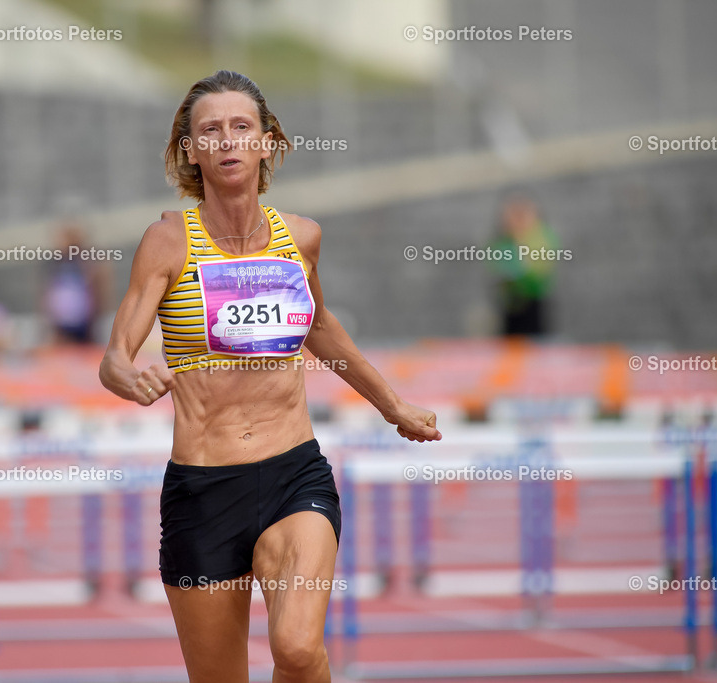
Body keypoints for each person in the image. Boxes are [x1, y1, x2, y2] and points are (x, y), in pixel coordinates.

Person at [99, 70, 441, 683]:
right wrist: (129, 375)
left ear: (267, 142)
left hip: (293, 474)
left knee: (299, 649)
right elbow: (115, 357)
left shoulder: (300, 238)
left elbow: (323, 331)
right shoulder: (167, 242)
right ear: (190, 150)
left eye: (241, 127)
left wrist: (394, 406)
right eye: (210, 130)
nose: (227, 140)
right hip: (204, 492)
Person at [488, 193, 560, 337]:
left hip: (534, 301)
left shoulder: (540, 238)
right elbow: (496, 263)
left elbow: (539, 269)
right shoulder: (505, 241)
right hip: (510, 303)